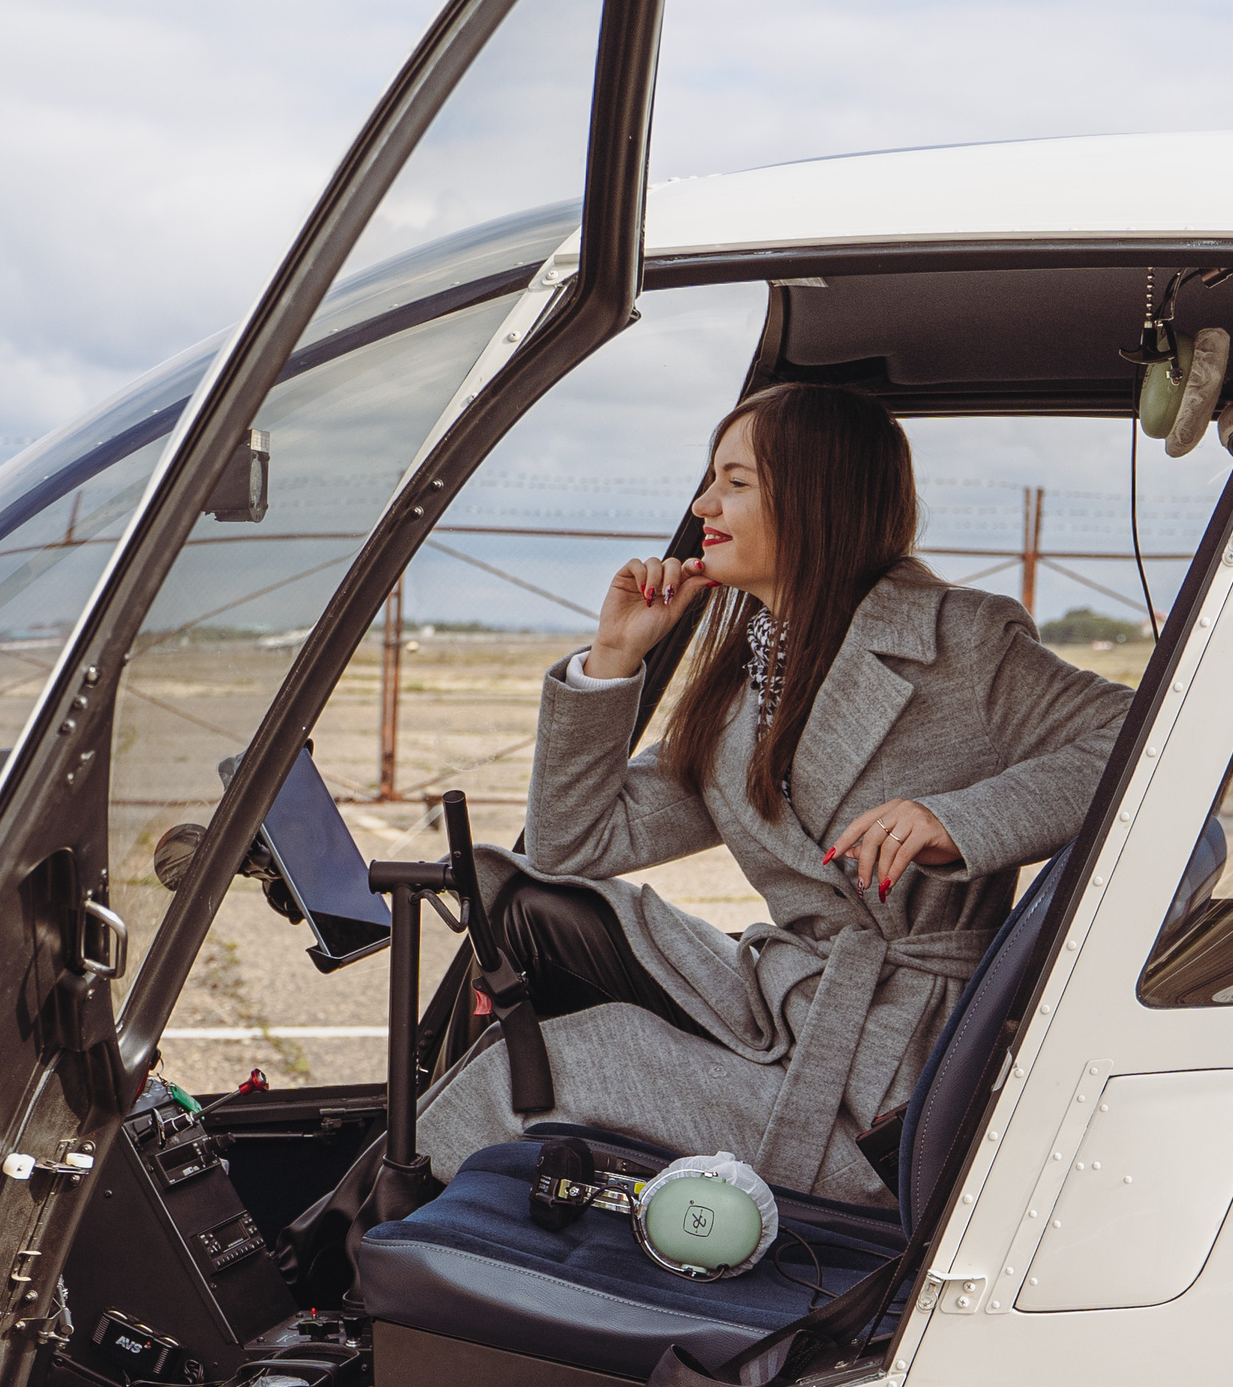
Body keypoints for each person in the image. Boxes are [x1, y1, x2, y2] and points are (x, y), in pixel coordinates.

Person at [416, 383, 1133, 1205]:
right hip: (794, 1009)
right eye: (709, 479)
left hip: (895, 1069)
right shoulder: (747, 679)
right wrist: (613, 656)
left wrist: (956, 820)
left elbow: (1140, 741)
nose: (702, 504)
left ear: (817, 493)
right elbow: (571, 847)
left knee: (542, 1066)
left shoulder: (959, 638)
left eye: (736, 481)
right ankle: (403, 1237)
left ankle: (357, 1264)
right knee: (535, 908)